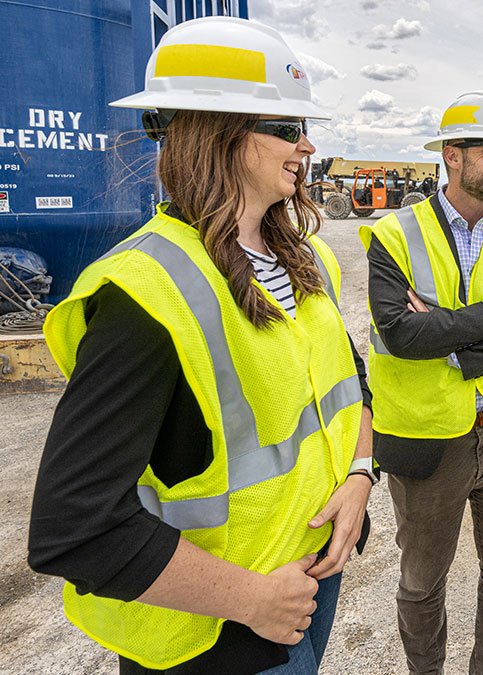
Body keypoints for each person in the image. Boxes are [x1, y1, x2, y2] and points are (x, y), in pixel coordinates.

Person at [27, 17, 374, 674]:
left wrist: (360, 476)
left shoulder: (307, 261)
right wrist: (253, 598)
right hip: (220, 638)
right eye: (286, 128)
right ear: (218, 132)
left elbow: (352, 386)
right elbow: (73, 527)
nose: (307, 145)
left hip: (306, 585)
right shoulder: (148, 292)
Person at [359, 91, 483, 675]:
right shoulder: (393, 235)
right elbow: (400, 335)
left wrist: (454, 348)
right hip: (424, 440)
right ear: (452, 155)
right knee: (421, 583)